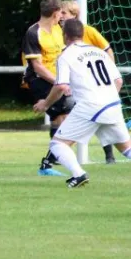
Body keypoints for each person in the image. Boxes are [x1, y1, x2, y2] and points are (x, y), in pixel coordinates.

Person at [33, 19, 131, 188]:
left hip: (90, 106)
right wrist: (106, 97)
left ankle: (79, 175)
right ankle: (78, 175)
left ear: (66, 35)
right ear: (82, 34)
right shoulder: (99, 52)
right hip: (112, 105)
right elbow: (119, 81)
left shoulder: (66, 55)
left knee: (58, 144)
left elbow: (61, 86)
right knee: (126, 148)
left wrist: (45, 103)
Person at [22, 0, 73, 176]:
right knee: (67, 117)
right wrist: (60, 83)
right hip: (39, 80)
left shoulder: (59, 29)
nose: (62, 15)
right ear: (54, 13)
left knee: (61, 119)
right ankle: (49, 162)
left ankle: (51, 162)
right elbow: (38, 67)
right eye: (60, 12)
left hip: (58, 80)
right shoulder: (33, 33)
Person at [61, 0, 117, 163]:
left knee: (93, 118)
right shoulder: (60, 33)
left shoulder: (89, 31)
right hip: (74, 84)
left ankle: (109, 156)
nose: (61, 16)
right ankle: (58, 156)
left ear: (74, 14)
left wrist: (110, 75)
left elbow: (107, 50)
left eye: (64, 12)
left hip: (91, 85)